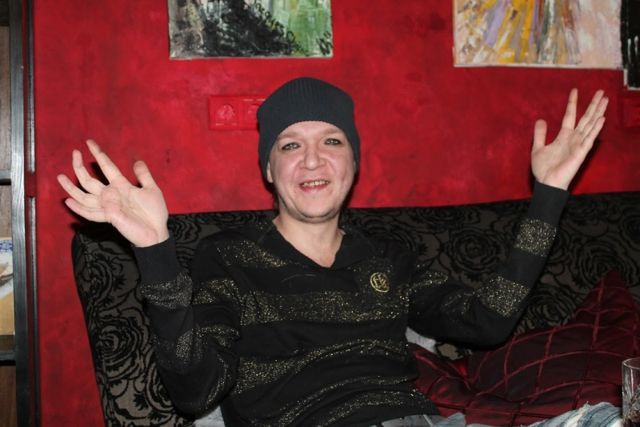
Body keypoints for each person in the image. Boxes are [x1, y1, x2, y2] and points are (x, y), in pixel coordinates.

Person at [57, 77, 608, 427]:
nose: (313, 160)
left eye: (332, 141)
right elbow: (196, 391)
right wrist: (155, 250)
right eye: (290, 145)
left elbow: (487, 321)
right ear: (269, 168)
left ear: (354, 162)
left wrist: (549, 195)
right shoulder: (227, 258)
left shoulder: (389, 257)